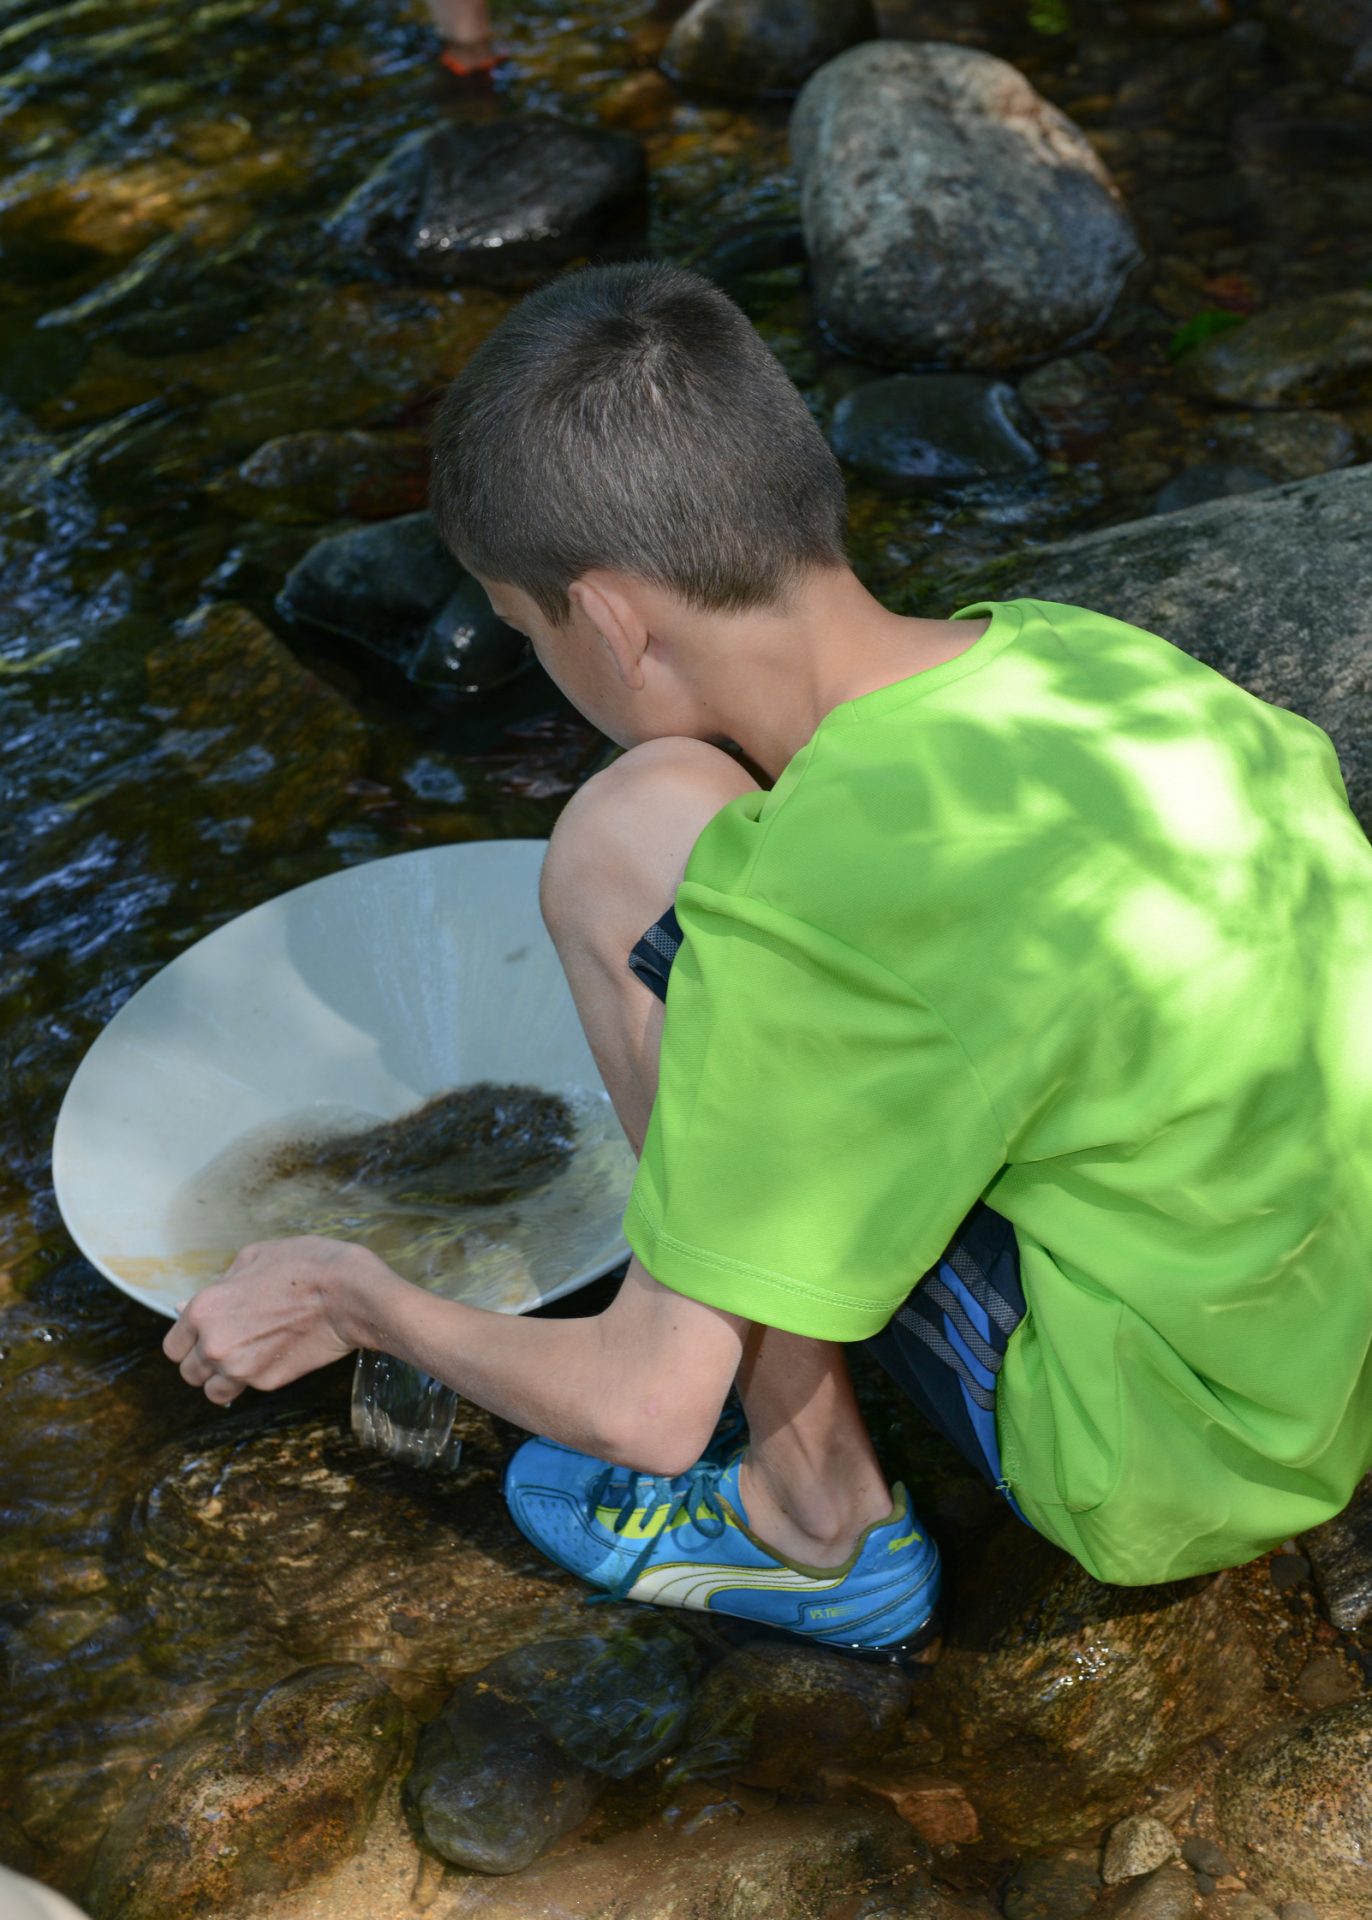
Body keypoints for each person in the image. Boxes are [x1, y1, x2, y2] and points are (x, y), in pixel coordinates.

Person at [164, 262, 1372, 1657]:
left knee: (614, 850)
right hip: (1325, 1336)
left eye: (525, 630)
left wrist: (356, 1295)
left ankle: (817, 1525)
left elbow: (645, 1409)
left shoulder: (817, 906)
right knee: (649, 825)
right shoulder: (1089, 662)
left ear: (610, 619)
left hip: (1175, 1467)